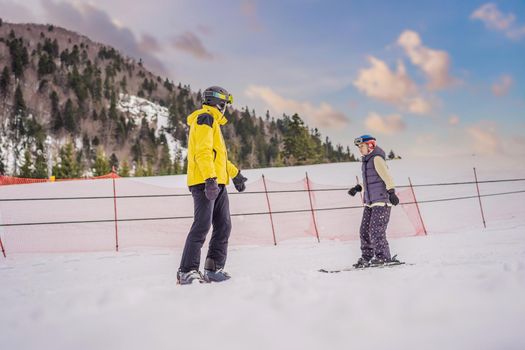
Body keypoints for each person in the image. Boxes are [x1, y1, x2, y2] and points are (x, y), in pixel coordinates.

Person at [177, 86, 248, 285]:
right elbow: (203, 153)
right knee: (202, 226)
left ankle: (213, 268)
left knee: (224, 226)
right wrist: (209, 179)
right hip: (204, 182)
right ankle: (187, 271)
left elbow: (218, 159)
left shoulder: (213, 122)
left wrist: (236, 175)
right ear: (220, 102)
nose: (226, 108)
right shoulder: (205, 119)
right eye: (226, 103)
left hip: (218, 182)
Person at [347, 135, 400, 267]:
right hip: (370, 202)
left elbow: (387, 177)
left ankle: (383, 257)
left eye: (362, 146)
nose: (360, 149)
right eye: (359, 147)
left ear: (370, 145)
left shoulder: (376, 159)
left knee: (376, 229)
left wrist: (392, 192)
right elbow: (370, 181)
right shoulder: (366, 162)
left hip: (381, 201)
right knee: (364, 230)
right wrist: (358, 188)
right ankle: (367, 257)